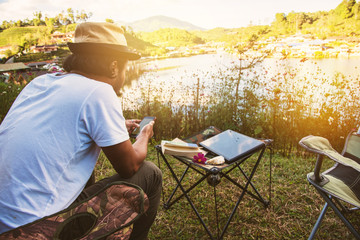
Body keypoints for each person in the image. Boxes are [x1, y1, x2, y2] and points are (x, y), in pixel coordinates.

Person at [0, 22, 162, 240]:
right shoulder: (100, 91)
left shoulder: (39, 83)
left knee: (84, 150)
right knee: (151, 173)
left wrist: (113, 128)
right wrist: (144, 135)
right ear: (114, 66)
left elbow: (61, 128)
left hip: (5, 224)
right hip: (35, 230)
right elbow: (130, 166)